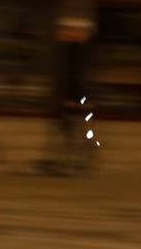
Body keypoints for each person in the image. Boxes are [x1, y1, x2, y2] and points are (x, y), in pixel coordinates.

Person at [37, 16, 97, 176]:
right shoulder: (70, 50)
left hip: (74, 98)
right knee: (69, 131)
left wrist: (73, 99)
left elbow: (75, 77)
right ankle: (69, 163)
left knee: (73, 131)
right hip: (70, 97)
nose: (62, 33)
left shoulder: (77, 51)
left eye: (66, 30)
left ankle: (72, 163)